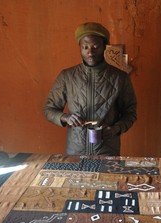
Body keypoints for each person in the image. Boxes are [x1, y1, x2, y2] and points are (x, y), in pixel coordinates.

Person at [43, 22, 137, 156]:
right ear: (79, 48)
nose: (90, 52)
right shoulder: (67, 76)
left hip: (107, 150)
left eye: (95, 47)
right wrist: (65, 117)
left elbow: (130, 113)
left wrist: (115, 129)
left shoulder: (119, 77)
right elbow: (48, 109)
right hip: (75, 150)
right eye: (85, 47)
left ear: (104, 47)